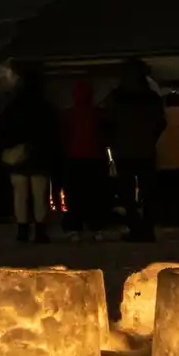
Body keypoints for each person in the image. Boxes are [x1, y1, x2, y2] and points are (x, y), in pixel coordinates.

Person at [103, 58, 166, 242]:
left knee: (127, 193)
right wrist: (151, 138)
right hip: (146, 149)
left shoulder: (117, 96)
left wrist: (113, 143)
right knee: (148, 192)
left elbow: (108, 123)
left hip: (124, 150)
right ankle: (148, 228)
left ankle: (134, 227)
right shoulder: (151, 97)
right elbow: (160, 123)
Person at [0, 63, 60, 242]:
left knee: (20, 195)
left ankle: (22, 229)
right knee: (40, 196)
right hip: (40, 156)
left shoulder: (12, 108)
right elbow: (53, 133)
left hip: (18, 156)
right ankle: (40, 231)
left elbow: (4, 131)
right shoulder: (46, 108)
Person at [61, 79, 109, 238]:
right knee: (95, 196)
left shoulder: (68, 114)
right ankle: (96, 227)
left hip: (73, 159)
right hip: (96, 159)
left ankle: (75, 228)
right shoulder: (99, 114)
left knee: (75, 196)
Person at [155, 93, 179, 226]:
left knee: (165, 190)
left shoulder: (159, 114)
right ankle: (178, 216)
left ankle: (165, 216)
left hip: (162, 158)